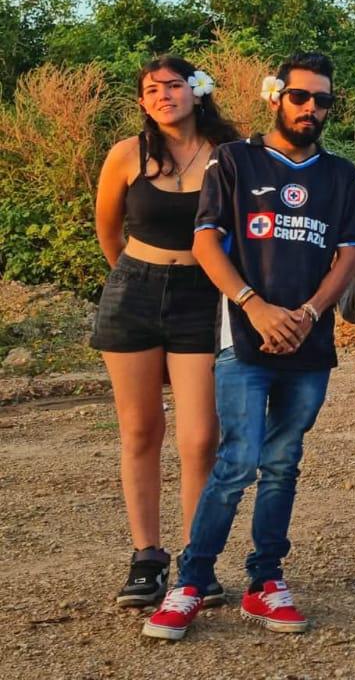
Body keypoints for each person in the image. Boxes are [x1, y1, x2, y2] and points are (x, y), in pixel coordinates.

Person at [142, 53, 355, 642]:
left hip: (309, 342)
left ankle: (265, 581)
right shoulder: (235, 160)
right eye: (301, 97)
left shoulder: (341, 174)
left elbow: (349, 253)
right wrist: (254, 304)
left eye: (323, 100)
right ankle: (189, 583)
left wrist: (311, 312)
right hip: (242, 338)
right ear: (276, 97)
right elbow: (209, 244)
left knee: (282, 464)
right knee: (237, 460)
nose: (312, 109)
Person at [92, 57, 241, 609]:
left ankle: (195, 559)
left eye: (173, 85)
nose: (163, 95)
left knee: (201, 436)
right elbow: (108, 230)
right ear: (142, 102)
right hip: (134, 288)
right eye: (151, 89)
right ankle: (146, 557)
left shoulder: (230, 153)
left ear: (197, 92)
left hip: (204, 296)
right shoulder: (127, 155)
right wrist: (137, 274)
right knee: (140, 431)